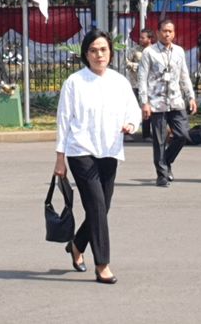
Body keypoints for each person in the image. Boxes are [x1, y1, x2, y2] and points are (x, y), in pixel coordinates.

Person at [54, 29, 142, 285]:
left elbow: (133, 112)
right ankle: (102, 264)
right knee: (96, 206)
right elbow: (63, 121)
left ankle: (76, 245)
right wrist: (60, 158)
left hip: (110, 151)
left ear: (110, 53)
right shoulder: (74, 82)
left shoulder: (119, 81)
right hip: (80, 151)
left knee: (103, 207)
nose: (98, 54)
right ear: (85, 54)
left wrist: (130, 125)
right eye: (93, 50)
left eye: (103, 49)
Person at [138, 18, 198, 187]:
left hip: (176, 100)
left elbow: (184, 75)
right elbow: (142, 79)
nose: (167, 34)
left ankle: (166, 161)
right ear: (158, 33)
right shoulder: (149, 52)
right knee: (159, 140)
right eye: (164, 31)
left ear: (174, 33)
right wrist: (145, 102)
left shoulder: (179, 51)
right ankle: (162, 174)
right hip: (157, 102)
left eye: (170, 31)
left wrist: (191, 97)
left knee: (182, 135)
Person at [126, 28, 154, 139]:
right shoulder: (135, 50)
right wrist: (139, 67)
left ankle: (146, 134)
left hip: (150, 85)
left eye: (143, 37)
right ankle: (128, 132)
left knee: (148, 109)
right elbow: (126, 62)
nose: (140, 39)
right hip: (136, 84)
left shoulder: (155, 51)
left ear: (150, 38)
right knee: (134, 108)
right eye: (140, 37)